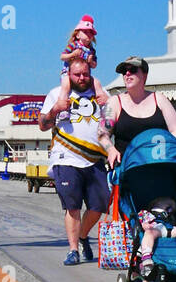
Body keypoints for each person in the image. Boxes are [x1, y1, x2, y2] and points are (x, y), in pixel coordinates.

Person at [39, 57, 119, 265]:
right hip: (66, 158)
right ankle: (73, 250)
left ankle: (83, 236)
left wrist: (107, 107)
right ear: (69, 75)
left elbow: (113, 121)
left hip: (95, 159)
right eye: (77, 74)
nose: (82, 78)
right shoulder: (56, 94)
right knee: (72, 206)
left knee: (100, 204)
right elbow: (43, 125)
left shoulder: (101, 95)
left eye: (85, 74)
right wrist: (56, 108)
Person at [104, 56, 176, 160]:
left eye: (133, 70)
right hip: (127, 168)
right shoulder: (114, 103)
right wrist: (110, 149)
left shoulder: (159, 99)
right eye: (124, 71)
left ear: (144, 75)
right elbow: (102, 134)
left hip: (158, 165)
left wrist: (167, 149)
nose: (127, 74)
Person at [136, 195, 176, 275]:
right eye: (167, 204)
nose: (171, 208)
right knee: (149, 233)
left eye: (172, 207)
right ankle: (146, 255)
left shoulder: (171, 215)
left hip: (171, 228)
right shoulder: (146, 213)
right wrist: (145, 225)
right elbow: (141, 222)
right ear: (155, 203)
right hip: (156, 228)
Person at [58, 15, 107, 105]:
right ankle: (62, 103)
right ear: (77, 35)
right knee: (66, 84)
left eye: (91, 33)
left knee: (97, 83)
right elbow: (62, 57)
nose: (88, 35)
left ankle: (103, 102)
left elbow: (94, 65)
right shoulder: (73, 45)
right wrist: (73, 54)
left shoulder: (91, 50)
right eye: (85, 32)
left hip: (84, 76)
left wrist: (90, 61)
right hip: (68, 73)